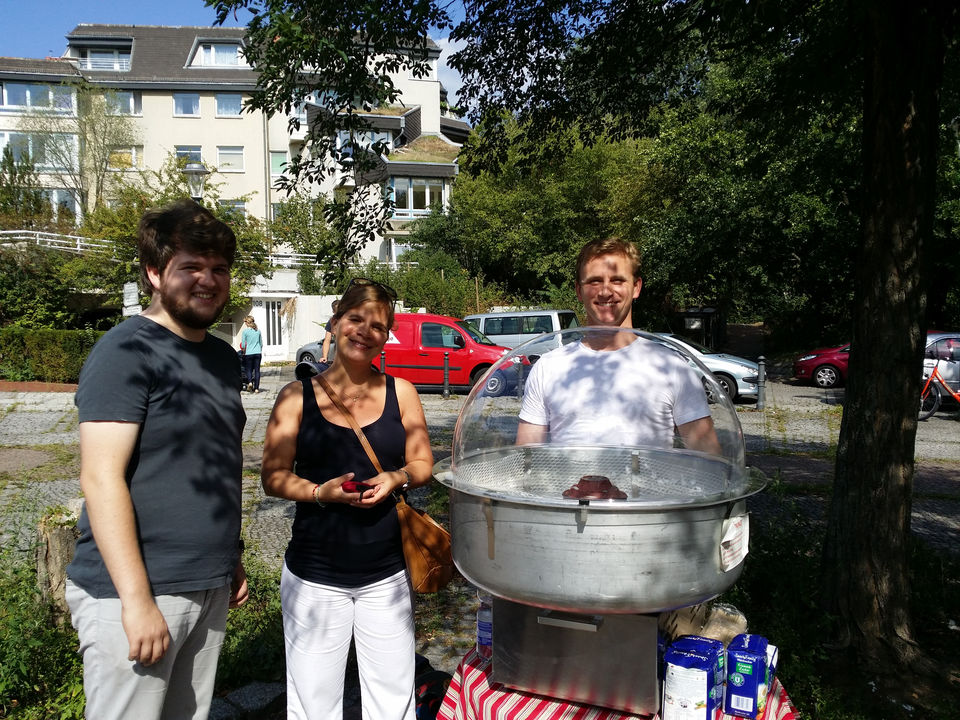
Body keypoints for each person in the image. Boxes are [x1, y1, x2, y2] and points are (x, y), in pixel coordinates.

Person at [65, 198, 249, 720]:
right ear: (153, 272)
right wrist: (136, 600)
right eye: (191, 267)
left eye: (218, 268)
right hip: (138, 592)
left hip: (207, 584)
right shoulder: (127, 351)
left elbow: (210, 467)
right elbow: (101, 478)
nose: (208, 280)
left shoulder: (220, 357)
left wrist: (228, 556)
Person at [261, 278, 434, 720]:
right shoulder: (295, 397)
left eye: (377, 326)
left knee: (393, 700)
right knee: (314, 705)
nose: (364, 331)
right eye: (355, 319)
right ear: (335, 323)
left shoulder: (402, 391)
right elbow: (273, 477)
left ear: (386, 336)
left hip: (387, 576)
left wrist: (396, 477)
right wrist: (321, 492)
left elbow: (422, 465)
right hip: (315, 574)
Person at [516, 236, 722, 454]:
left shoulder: (672, 368)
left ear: (636, 287)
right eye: (594, 281)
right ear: (578, 290)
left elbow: (709, 461)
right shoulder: (548, 368)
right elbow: (525, 459)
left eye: (617, 280)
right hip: (568, 489)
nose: (605, 291)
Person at [241, 315, 264, 392]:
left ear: (247, 323)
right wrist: (259, 349)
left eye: (245, 322)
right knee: (257, 370)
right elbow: (261, 343)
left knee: (248, 369)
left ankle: (250, 382)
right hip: (258, 353)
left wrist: (244, 352)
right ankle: (256, 388)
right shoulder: (258, 331)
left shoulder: (245, 332)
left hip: (249, 353)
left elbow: (243, 345)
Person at [320, 299, 339, 363]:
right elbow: (327, 340)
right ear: (333, 312)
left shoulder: (350, 321)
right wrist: (324, 357)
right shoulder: (332, 321)